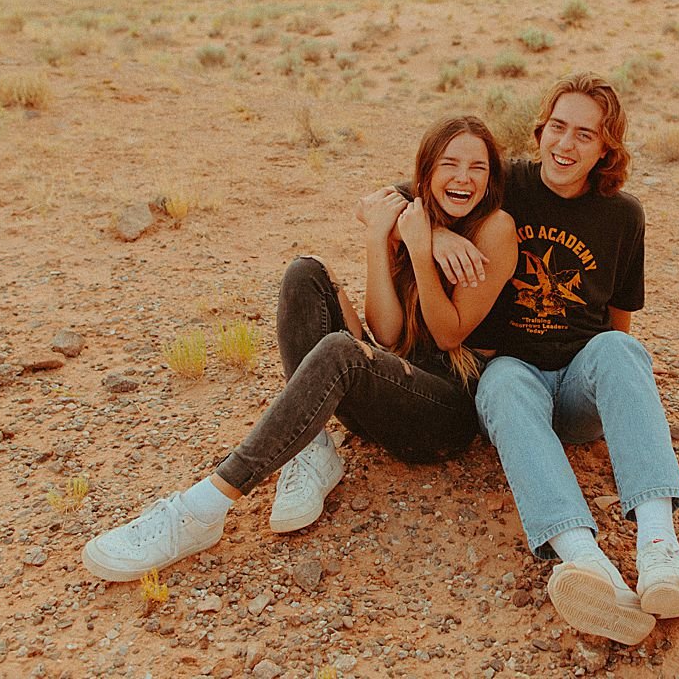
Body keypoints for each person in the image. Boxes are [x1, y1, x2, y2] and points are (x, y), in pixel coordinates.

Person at [82, 116, 518, 582]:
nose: (463, 178)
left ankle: (200, 510)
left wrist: (418, 244)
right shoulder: (415, 216)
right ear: (425, 173)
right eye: (449, 164)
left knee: (340, 351)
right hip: (391, 387)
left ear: (491, 177)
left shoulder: (495, 228)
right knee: (304, 271)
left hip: (443, 416)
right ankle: (310, 449)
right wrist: (388, 235)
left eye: (478, 167)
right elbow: (388, 335)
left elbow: (449, 335)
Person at [430, 72, 679, 645]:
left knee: (622, 350)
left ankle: (658, 547)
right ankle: (584, 561)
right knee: (499, 381)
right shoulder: (506, 186)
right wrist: (437, 236)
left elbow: (620, 320)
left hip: (577, 391)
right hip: (515, 381)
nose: (565, 145)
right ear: (540, 130)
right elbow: (395, 201)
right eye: (557, 128)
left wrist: (624, 384)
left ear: (606, 148)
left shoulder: (623, 216)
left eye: (584, 134)